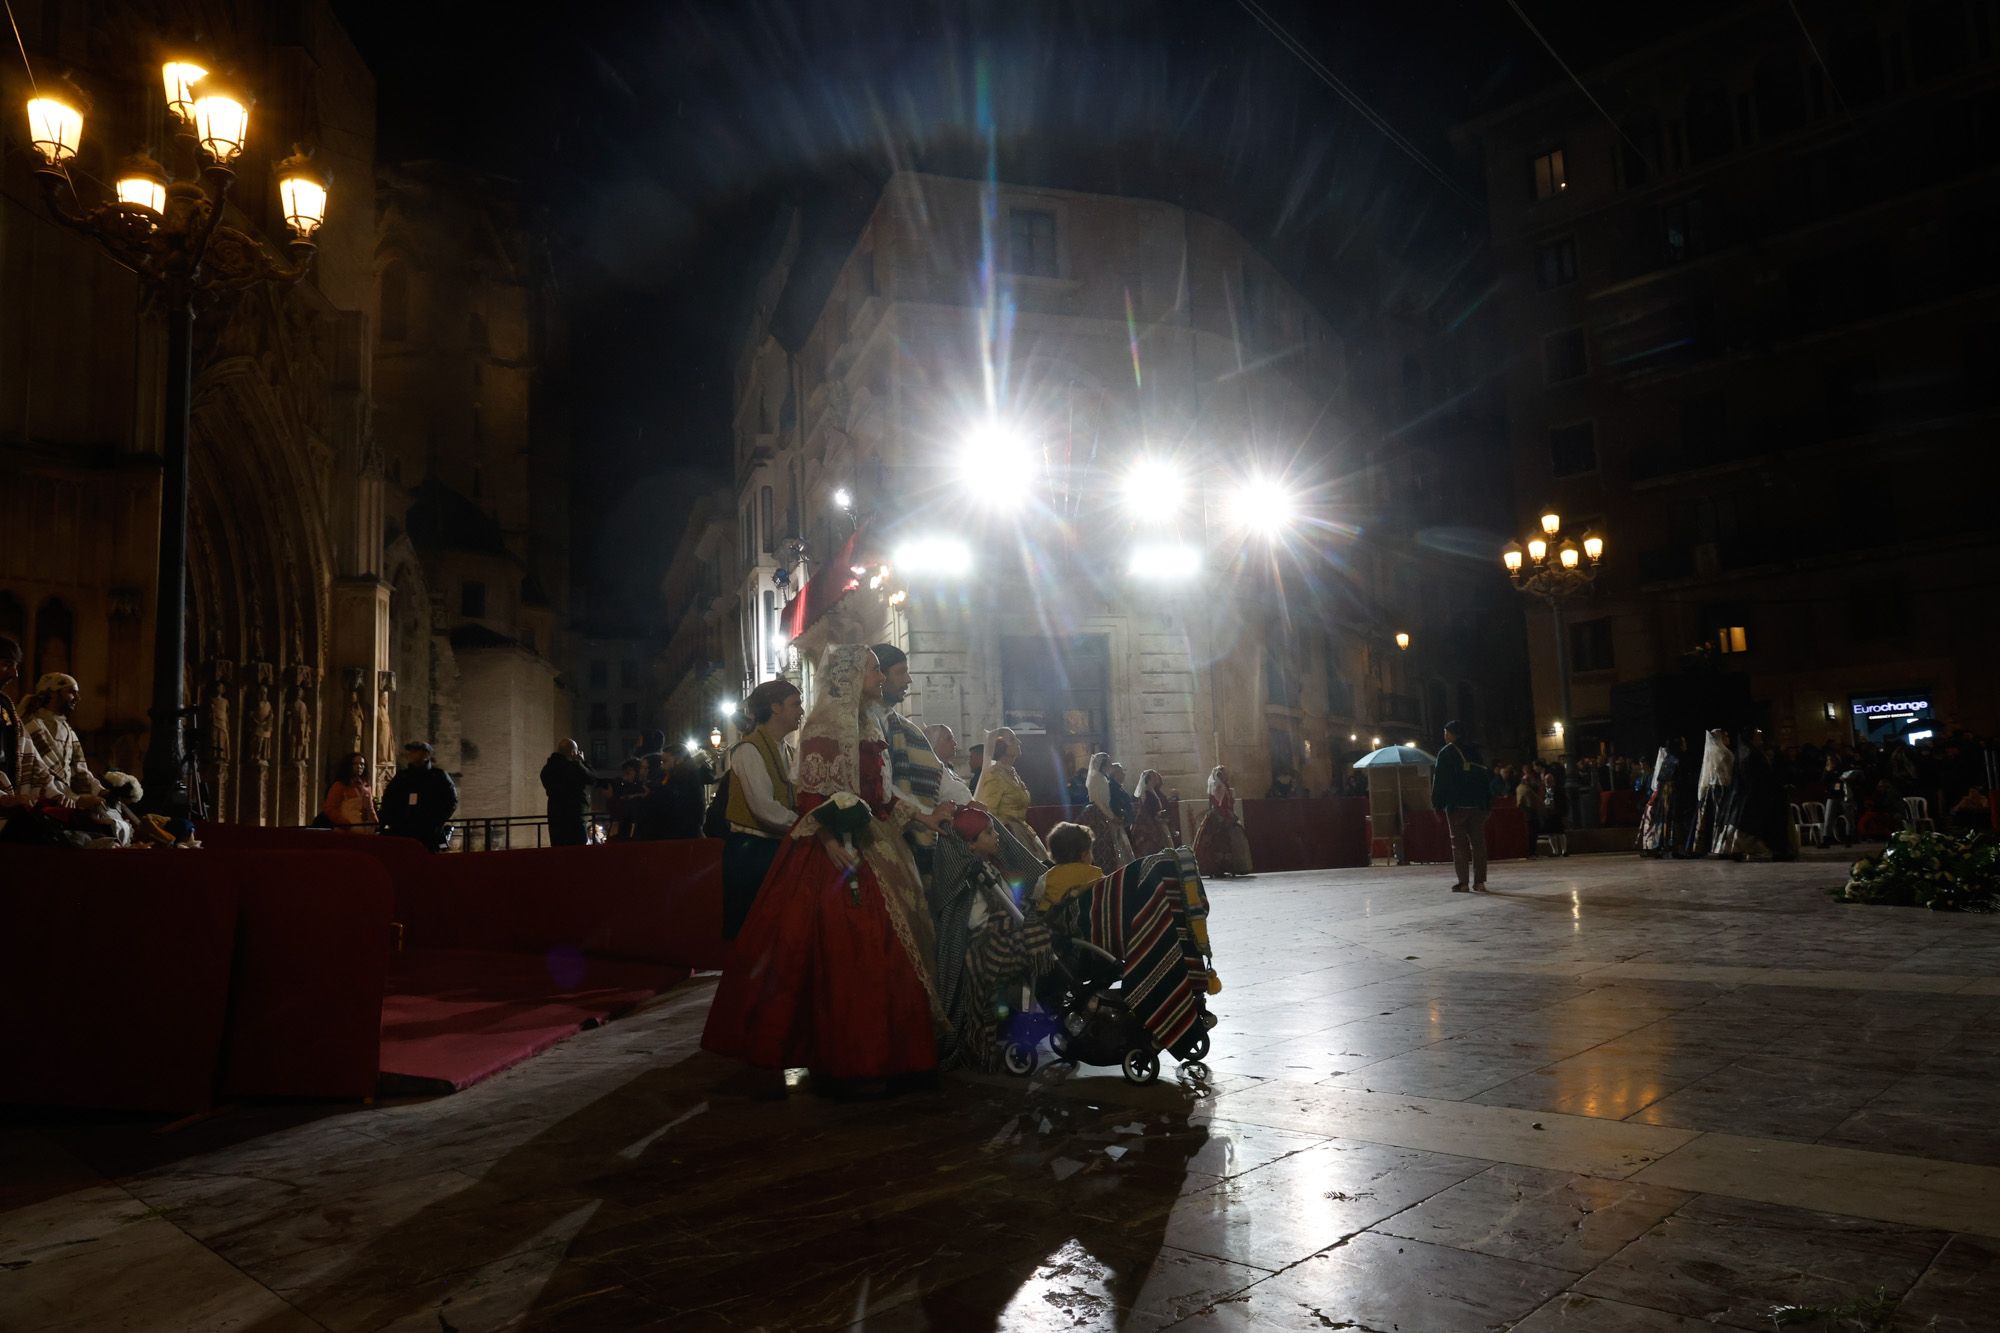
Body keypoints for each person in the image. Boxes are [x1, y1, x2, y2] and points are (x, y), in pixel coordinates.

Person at [702, 644, 954, 1089]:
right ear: (852, 676)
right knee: (846, 950)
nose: (880, 677)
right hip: (834, 851)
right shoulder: (822, 726)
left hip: (875, 841)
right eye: (874, 670)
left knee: (893, 944)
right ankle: (855, 1058)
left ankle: (897, 1053)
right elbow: (812, 797)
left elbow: (880, 793)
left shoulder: (868, 722)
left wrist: (923, 815)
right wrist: (827, 834)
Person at [928, 804, 1055, 1073]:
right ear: (970, 845)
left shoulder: (990, 866)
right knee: (1032, 940)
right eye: (988, 833)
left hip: (1002, 933)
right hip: (982, 946)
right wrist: (1012, 922)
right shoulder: (969, 881)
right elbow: (975, 922)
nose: (996, 836)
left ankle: (1035, 1012)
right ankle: (1031, 1016)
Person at [722, 679, 804, 938]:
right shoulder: (748, 750)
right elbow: (764, 808)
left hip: (774, 848)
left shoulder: (788, 751)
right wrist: (808, 824)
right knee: (755, 933)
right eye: (795, 704)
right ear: (775, 708)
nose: (801, 711)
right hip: (752, 854)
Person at [870, 643, 950, 875]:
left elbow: (939, 773)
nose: (909, 680)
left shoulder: (904, 727)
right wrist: (921, 815)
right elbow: (881, 784)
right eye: (901, 672)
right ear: (880, 676)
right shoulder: (862, 723)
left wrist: (964, 801)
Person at [1431, 721, 1494, 893]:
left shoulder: (1446, 753)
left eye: (1446, 732)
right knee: (1478, 844)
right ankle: (1480, 882)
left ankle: (1463, 883)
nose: (1444, 736)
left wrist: (1437, 805)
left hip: (1456, 806)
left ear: (1452, 734)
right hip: (1478, 805)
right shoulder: (1476, 751)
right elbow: (1485, 779)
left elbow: (1440, 781)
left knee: (1458, 845)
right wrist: (1487, 803)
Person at [974, 726, 1050, 861]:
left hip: (1022, 831)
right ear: (1000, 746)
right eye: (1012, 740)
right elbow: (988, 812)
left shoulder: (1011, 772)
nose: (1019, 742)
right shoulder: (994, 775)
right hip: (1009, 835)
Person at [379, 741, 458, 849]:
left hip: (429, 831)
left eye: (415, 751)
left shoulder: (438, 776)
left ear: (426, 754)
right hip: (403, 830)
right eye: (410, 751)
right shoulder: (403, 777)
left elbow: (451, 801)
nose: (411, 754)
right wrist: (391, 821)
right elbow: (388, 799)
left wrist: (436, 821)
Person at [1080, 752, 1136, 873]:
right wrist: (1112, 816)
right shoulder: (1098, 778)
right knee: (1104, 845)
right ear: (1103, 763)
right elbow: (1100, 802)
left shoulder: (1101, 777)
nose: (1111, 764)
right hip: (1099, 814)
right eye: (1109, 762)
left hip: (1102, 812)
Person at [1194, 764, 1253, 877]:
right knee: (1219, 840)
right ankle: (1217, 867)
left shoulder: (1223, 786)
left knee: (1231, 839)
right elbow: (1219, 805)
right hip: (1220, 816)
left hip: (1226, 814)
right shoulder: (1219, 786)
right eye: (1225, 773)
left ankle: (1228, 866)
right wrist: (1225, 817)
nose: (1227, 775)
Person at [1033, 821, 1104, 912]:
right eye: (1090, 851)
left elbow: (1037, 896)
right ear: (1084, 855)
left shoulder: (1047, 876)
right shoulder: (1095, 873)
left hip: (1051, 917)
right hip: (1083, 914)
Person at [539, 738, 594, 846]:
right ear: (573, 752)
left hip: (555, 816)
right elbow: (592, 778)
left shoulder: (547, 769)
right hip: (575, 817)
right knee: (578, 853)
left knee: (559, 852)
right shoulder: (574, 767)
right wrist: (581, 762)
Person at [0, 636, 31, 820]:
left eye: (16, 666)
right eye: (6, 664)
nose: (15, 674)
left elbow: (27, 753)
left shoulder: (5, 705)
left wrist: (58, 792)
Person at [321, 751, 379, 833]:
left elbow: (370, 808)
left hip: (367, 829)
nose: (359, 767)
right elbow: (330, 808)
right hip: (347, 830)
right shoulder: (339, 786)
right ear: (348, 766)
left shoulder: (366, 786)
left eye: (362, 764)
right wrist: (345, 824)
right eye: (355, 764)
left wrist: (376, 823)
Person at [1129, 768, 1175, 859]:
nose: (1156, 779)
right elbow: (1147, 808)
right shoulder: (1146, 792)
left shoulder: (1152, 791)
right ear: (1149, 779)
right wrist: (1157, 815)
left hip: (1156, 821)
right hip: (1149, 824)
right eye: (1154, 777)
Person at [925, 722, 976, 806]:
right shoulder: (930, 772)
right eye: (949, 739)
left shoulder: (949, 770)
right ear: (933, 743)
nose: (955, 743)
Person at [605, 758, 647, 840]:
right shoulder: (620, 786)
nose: (626, 774)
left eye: (629, 771)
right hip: (620, 828)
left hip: (632, 828)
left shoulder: (641, 787)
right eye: (625, 771)